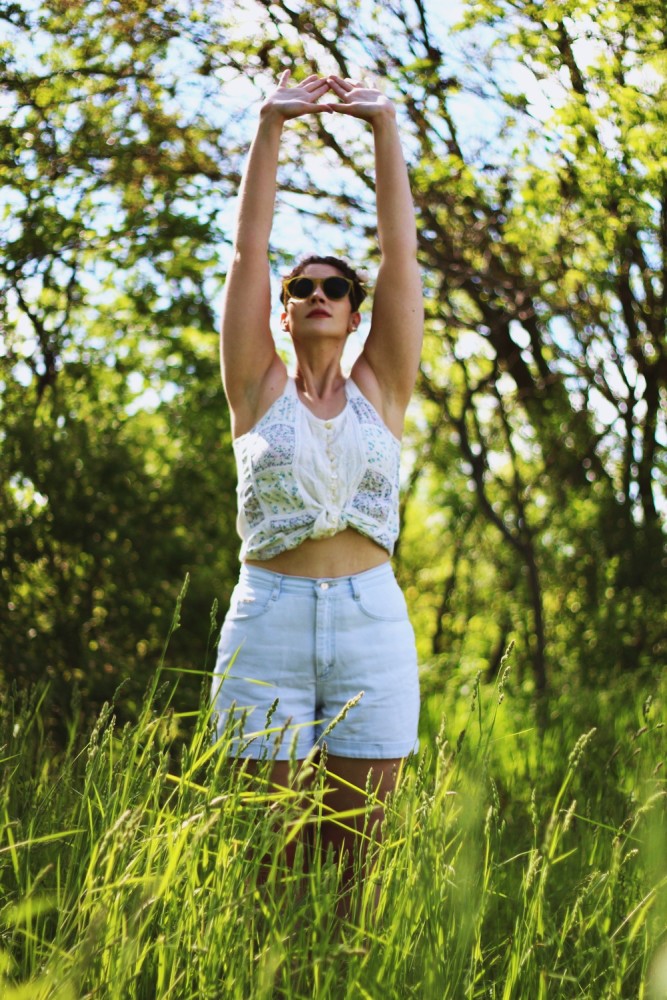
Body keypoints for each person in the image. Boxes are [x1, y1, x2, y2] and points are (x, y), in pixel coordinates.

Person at [211, 68, 423, 873]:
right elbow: (246, 249)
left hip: (370, 624)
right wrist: (269, 123)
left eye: (338, 286)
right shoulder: (256, 388)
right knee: (261, 860)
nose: (321, 293)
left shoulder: (381, 390)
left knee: (352, 869)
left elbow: (400, 252)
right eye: (303, 287)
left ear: (356, 309)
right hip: (267, 621)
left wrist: (383, 126)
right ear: (284, 307)